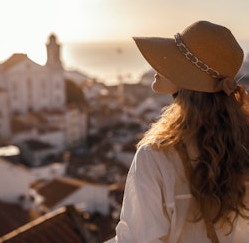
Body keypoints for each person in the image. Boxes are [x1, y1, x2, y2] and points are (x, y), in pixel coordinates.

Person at [106, 20, 249, 243]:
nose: (157, 65)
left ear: (190, 79)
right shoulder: (243, 145)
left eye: (172, 61)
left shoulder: (156, 156)